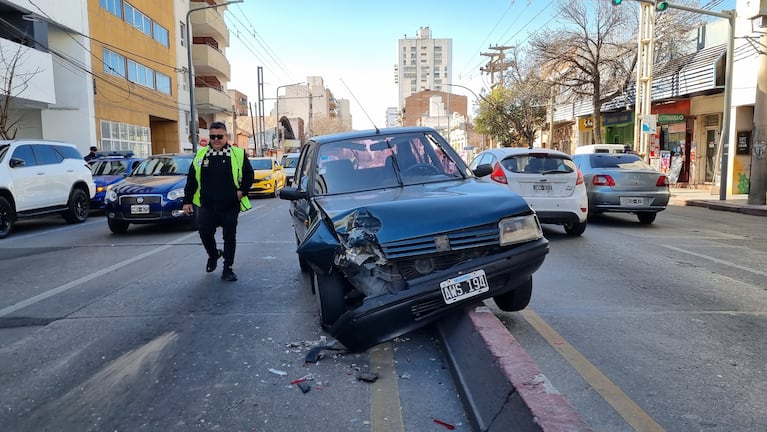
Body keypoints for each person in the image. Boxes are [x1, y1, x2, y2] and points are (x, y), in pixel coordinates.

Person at [183, 122, 254, 282]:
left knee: (229, 236)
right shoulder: (201, 155)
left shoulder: (237, 154)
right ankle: (214, 254)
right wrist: (187, 201)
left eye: (219, 137)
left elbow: (249, 175)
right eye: (212, 136)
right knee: (204, 233)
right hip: (207, 204)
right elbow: (192, 180)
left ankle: (228, 268)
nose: (216, 140)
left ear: (226, 137)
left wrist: (241, 192)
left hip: (230, 204)